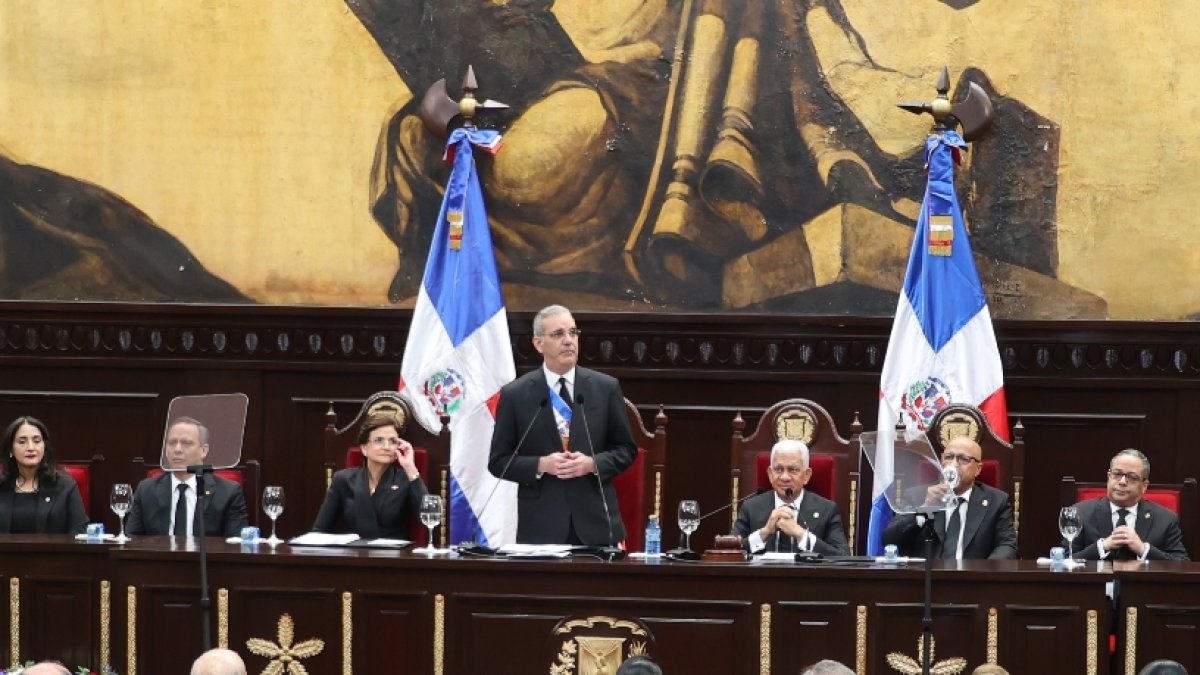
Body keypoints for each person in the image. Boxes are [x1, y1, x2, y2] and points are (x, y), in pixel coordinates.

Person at [488, 305, 636, 545]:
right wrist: (541, 464)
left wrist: (592, 464)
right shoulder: (516, 394)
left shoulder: (605, 388)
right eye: (558, 334)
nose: (568, 341)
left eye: (573, 333)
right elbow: (498, 462)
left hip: (597, 523)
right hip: (541, 526)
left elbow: (626, 450)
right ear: (538, 344)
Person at [882, 436, 1018, 559]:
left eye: (964, 459)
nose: (954, 464)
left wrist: (983, 574)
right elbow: (890, 539)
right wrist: (926, 509)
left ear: (978, 469)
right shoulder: (916, 496)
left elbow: (1007, 546)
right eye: (949, 457)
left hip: (973, 581)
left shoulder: (996, 501)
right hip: (926, 581)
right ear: (941, 461)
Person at [127, 416, 249, 537]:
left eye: (186, 443)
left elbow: (235, 545)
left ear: (203, 450)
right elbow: (132, 541)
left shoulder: (228, 492)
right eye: (172, 443)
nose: (177, 449)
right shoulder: (146, 490)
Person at [312, 412, 427, 539]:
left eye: (393, 441)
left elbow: (427, 518)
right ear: (364, 448)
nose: (387, 447)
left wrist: (410, 467)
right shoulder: (343, 479)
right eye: (379, 440)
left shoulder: (405, 479)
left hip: (393, 556)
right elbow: (319, 531)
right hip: (354, 554)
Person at [1065, 449, 1189, 561]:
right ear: (1109, 477)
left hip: (1142, 586)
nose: (1122, 482)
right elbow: (1063, 561)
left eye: (1132, 477)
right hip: (1096, 586)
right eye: (1117, 474)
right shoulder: (1080, 513)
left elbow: (1182, 564)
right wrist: (1102, 547)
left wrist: (1143, 549)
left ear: (1144, 486)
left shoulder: (1166, 519)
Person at [731, 439, 850, 556]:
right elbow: (729, 552)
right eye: (778, 469)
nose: (784, 477)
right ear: (770, 474)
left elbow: (843, 556)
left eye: (792, 470)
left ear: (806, 475)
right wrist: (764, 533)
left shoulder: (827, 510)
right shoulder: (751, 508)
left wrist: (801, 535)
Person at [0, 416, 87, 534]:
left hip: (55, 552)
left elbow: (80, 531)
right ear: (11, 449)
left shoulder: (65, 486)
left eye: (36, 441)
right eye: (22, 441)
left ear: (44, 447)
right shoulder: (2, 486)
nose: (31, 448)